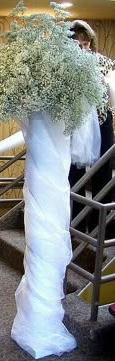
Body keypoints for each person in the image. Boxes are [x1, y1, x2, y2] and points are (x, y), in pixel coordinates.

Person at [69, 20, 115, 238]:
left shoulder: (104, 63)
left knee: (103, 174)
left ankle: (103, 228)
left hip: (102, 119)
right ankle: (75, 226)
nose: (84, 48)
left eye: (86, 43)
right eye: (79, 45)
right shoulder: (64, 66)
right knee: (73, 175)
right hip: (75, 124)